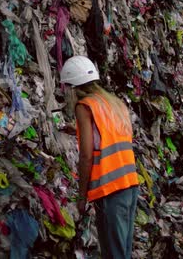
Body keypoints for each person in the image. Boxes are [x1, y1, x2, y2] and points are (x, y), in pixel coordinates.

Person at [60, 55, 139, 259]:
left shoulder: (84, 107)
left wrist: (82, 196)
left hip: (109, 188)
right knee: (123, 251)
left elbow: (86, 155)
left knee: (113, 253)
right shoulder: (115, 103)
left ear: (73, 86)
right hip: (130, 183)